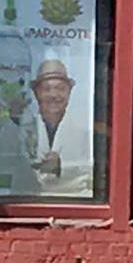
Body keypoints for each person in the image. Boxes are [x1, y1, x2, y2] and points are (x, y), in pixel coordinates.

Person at [31, 58, 90, 196]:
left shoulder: (85, 130)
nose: (53, 95)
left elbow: (90, 177)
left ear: (69, 92)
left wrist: (61, 168)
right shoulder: (20, 128)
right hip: (29, 201)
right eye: (46, 89)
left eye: (60, 89)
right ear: (36, 93)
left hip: (75, 202)